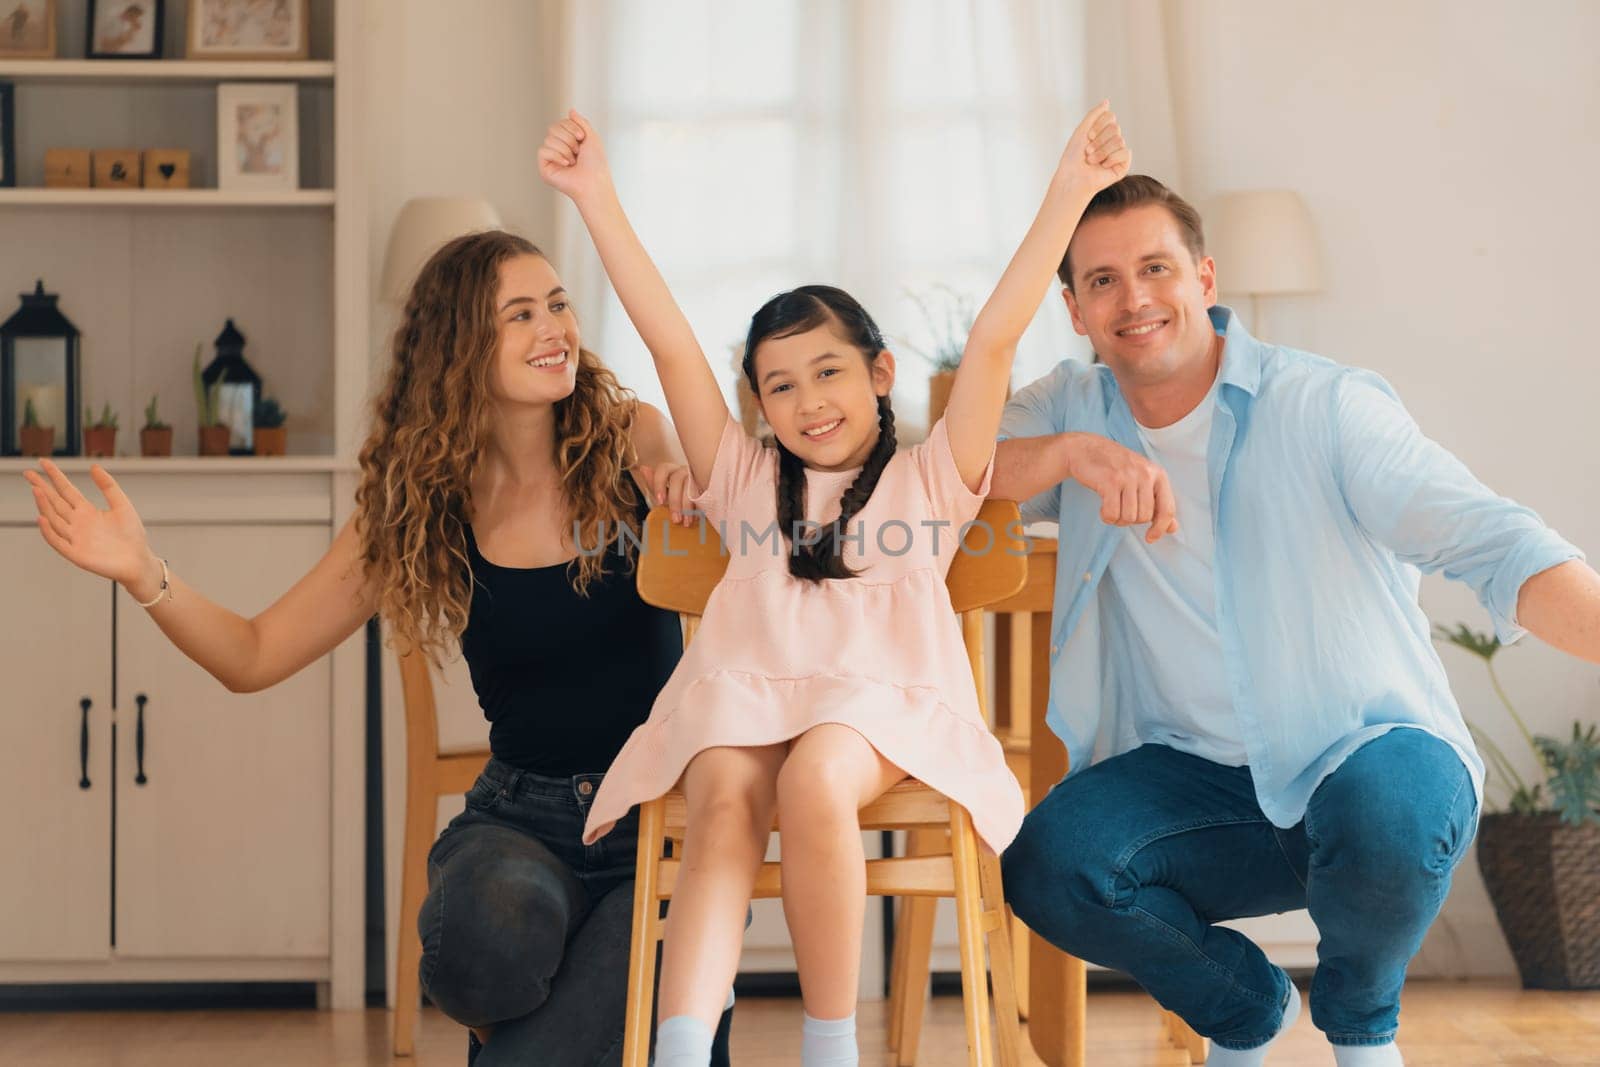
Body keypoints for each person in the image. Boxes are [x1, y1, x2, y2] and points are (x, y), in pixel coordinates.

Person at [21, 230, 735, 1067]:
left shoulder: (634, 441)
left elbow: (743, 525)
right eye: (520, 314)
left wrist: (690, 487)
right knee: (491, 938)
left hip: (655, 820)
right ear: (461, 346)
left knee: (629, 998)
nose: (555, 330)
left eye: (558, 305)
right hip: (518, 822)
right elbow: (253, 653)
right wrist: (145, 573)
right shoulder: (424, 501)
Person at [537, 102, 1130, 1067]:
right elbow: (671, 345)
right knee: (725, 786)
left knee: (815, 773)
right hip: (746, 699)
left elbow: (991, 340)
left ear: (881, 372)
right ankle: (682, 1047)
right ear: (758, 403)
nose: (808, 401)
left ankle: (829, 1045)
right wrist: (595, 196)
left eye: (828, 371)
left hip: (875, 709)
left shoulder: (929, 480)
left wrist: (1069, 194)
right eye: (780, 385)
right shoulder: (739, 479)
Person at [992, 174, 1600, 1067]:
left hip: (1363, 759)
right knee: (1052, 863)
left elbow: (1497, 543)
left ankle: (1363, 1034)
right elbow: (955, 468)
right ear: (1076, 310)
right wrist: (1072, 453)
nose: (1135, 298)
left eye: (1155, 267)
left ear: (1204, 278)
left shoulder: (1325, 406)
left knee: (1389, 804)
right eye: (1103, 280)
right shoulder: (1067, 410)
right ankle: (1244, 1013)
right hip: (1195, 789)